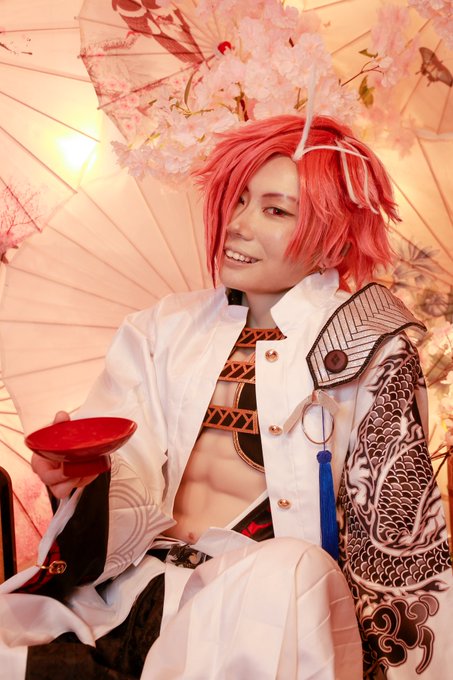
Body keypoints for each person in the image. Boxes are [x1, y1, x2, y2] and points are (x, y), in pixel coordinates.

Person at [0, 115, 452, 679]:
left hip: (258, 618)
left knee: (290, 568)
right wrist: (83, 478)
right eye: (238, 199)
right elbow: (120, 469)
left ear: (332, 241)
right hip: (127, 596)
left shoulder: (369, 343)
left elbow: (396, 535)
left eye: (276, 210)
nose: (237, 225)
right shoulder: (163, 327)